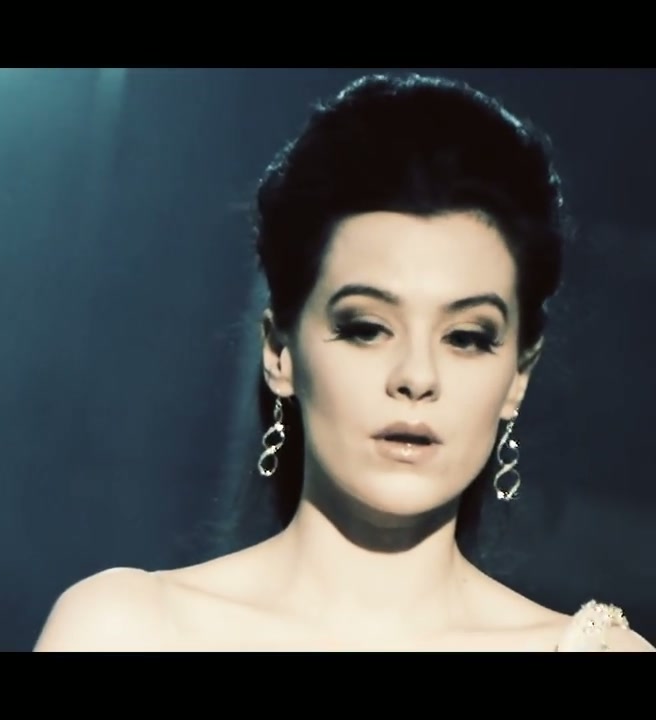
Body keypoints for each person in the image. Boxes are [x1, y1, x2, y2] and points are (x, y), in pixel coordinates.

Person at [33, 72, 653, 652]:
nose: (416, 377)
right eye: (366, 328)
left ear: (518, 374)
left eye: (467, 337)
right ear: (279, 352)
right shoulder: (128, 629)